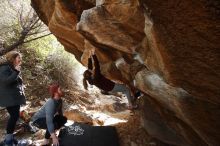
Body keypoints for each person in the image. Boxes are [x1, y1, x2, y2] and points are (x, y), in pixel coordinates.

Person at [0, 51, 26, 146]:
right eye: (18, 58)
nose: (20, 60)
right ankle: (8, 141)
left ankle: (10, 138)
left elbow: (13, 81)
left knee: (14, 117)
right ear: (12, 58)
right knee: (14, 117)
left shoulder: (11, 68)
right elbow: (6, 82)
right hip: (9, 99)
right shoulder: (4, 68)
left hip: (13, 98)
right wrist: (16, 72)